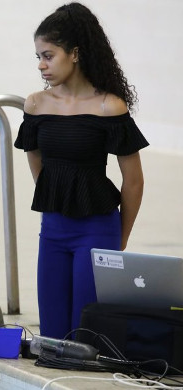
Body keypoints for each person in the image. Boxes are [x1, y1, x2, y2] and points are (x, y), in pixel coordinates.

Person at [14, 2, 149, 339]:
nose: (42, 65)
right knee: (53, 336)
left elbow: (133, 181)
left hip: (97, 230)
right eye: (38, 57)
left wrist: (120, 239)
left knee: (85, 336)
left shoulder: (109, 106)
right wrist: (57, 197)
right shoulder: (36, 105)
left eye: (49, 55)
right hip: (54, 230)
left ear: (74, 54)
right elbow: (37, 162)